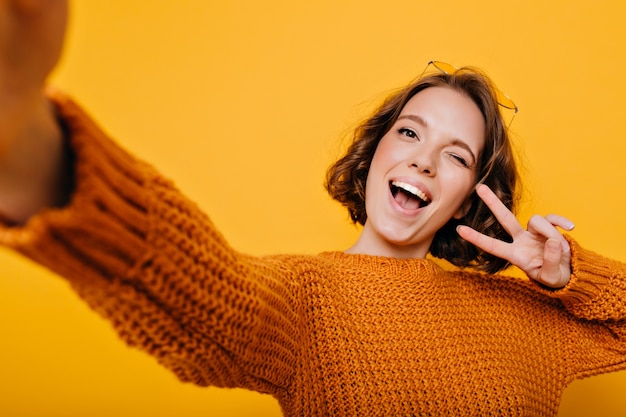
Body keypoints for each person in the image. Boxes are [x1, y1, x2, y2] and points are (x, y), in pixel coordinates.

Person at [1, 1, 626, 416]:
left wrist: (572, 276)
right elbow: (199, 290)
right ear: (375, 150)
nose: (424, 163)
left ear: (470, 194)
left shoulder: (525, 317)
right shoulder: (305, 297)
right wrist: (31, 149)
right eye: (409, 133)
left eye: (457, 157)